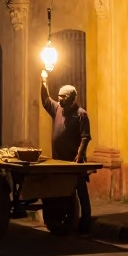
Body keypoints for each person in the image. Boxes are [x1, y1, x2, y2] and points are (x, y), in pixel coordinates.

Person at [39, 76, 93, 233]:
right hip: (58, 161)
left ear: (73, 98)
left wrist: (80, 153)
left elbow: (85, 136)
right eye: (59, 97)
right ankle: (63, 221)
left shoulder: (81, 114)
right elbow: (44, 100)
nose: (60, 99)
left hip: (74, 163)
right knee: (60, 191)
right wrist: (44, 82)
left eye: (64, 97)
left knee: (81, 192)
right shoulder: (57, 109)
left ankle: (85, 226)